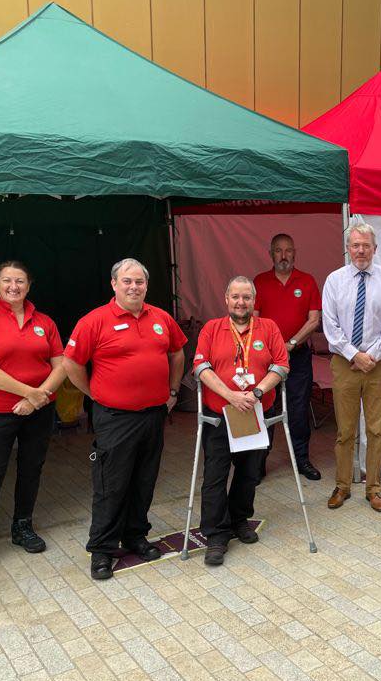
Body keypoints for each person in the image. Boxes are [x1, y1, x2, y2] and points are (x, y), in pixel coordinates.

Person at [64, 258, 186, 580]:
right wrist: (94, 394)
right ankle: (102, 549)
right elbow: (71, 363)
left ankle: (135, 536)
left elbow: (177, 352)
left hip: (153, 414)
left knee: (144, 479)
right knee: (110, 484)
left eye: (139, 282)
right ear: (114, 284)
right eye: (127, 281)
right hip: (115, 417)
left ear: (147, 285)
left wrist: (173, 391)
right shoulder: (94, 321)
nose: (134, 287)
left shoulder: (161, 318)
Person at [0, 261, 66, 574]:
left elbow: (61, 365)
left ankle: (22, 527)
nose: (13, 286)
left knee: (31, 468)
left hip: (38, 410)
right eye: (7, 280)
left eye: (19, 281)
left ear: (29, 285)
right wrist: (30, 393)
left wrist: (37, 398)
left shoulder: (44, 321)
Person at [193, 277, 288, 566]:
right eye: (235, 297)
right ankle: (216, 535)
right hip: (221, 416)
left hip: (257, 413)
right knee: (215, 477)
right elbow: (200, 367)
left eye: (246, 297)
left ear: (253, 300)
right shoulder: (212, 328)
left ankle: (239, 519)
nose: (240, 302)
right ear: (226, 299)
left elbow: (282, 365)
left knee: (249, 473)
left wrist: (257, 392)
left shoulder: (268, 327)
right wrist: (230, 395)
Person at [321, 222, 381, 513]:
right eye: (355, 245)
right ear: (348, 248)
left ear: (375, 249)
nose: (360, 250)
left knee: (376, 430)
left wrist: (372, 355)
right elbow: (329, 326)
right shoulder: (334, 280)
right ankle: (342, 486)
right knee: (344, 430)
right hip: (345, 363)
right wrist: (355, 355)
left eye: (365, 245)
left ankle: (374, 488)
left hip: (378, 365)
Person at [253, 233, 322, 480]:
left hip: (298, 355)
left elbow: (314, 320)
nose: (284, 255)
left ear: (295, 253)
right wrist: (273, 346)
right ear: (271, 254)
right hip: (267, 358)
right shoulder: (259, 281)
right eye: (279, 250)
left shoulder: (307, 281)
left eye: (288, 250)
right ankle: (258, 464)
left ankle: (302, 460)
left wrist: (291, 343)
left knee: (299, 408)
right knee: (266, 408)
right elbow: (254, 319)